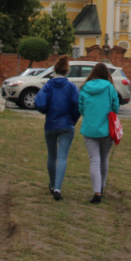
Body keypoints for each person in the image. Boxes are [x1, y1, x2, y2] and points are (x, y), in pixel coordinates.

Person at [34, 56, 80, 201]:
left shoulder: (48, 85)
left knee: (51, 156)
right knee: (62, 157)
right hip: (66, 124)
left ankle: (53, 184)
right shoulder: (71, 87)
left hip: (51, 124)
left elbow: (39, 102)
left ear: (54, 70)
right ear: (67, 71)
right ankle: (58, 188)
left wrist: (46, 111)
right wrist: (73, 119)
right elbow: (78, 105)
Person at [79, 62, 120, 204]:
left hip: (89, 128)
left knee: (94, 159)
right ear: (106, 74)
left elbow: (81, 108)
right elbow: (116, 106)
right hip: (106, 128)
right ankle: (101, 187)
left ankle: (97, 192)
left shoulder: (85, 87)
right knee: (104, 159)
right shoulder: (110, 88)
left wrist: (90, 115)